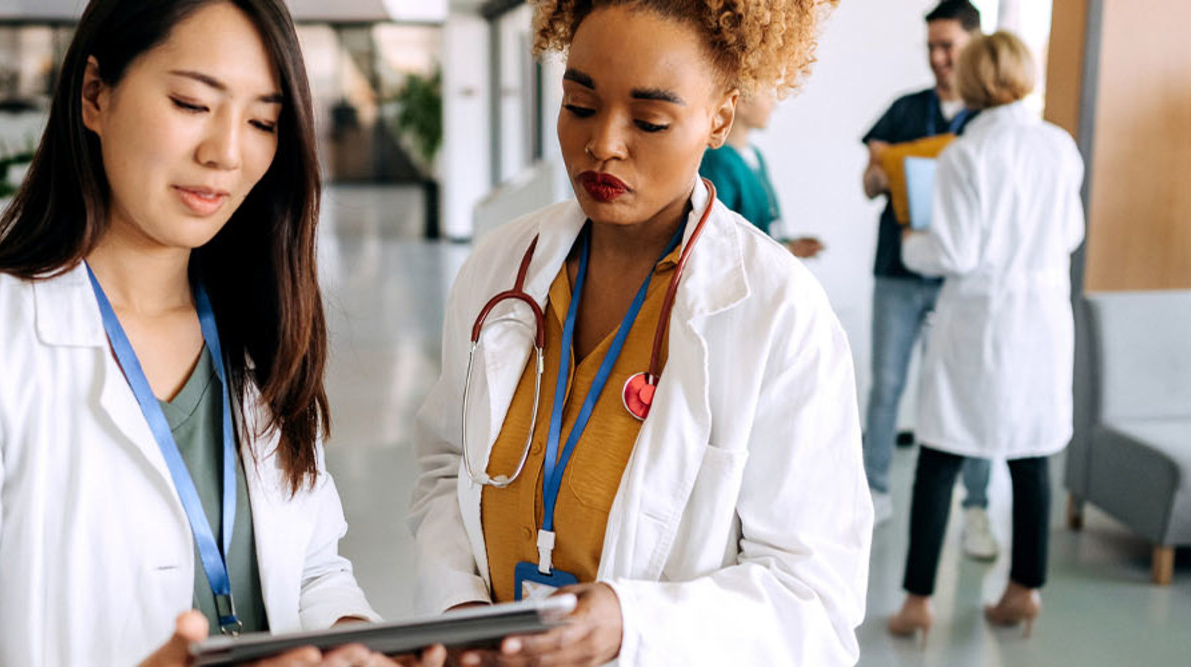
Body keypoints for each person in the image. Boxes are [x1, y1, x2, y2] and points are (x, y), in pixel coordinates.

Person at [0, 1, 439, 665]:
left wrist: (355, 639)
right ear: (95, 94)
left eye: (263, 120)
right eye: (190, 103)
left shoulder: (257, 331)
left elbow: (312, 569)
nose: (227, 152)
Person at [409, 0, 869, 663]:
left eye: (650, 120)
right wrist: (458, 609)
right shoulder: (499, 268)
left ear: (719, 117)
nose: (605, 144)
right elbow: (444, 467)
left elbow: (814, 602)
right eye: (580, 105)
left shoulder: (778, 313)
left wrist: (636, 626)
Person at [886, 30, 1085, 643]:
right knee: (1030, 457)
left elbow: (957, 250)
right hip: (1043, 320)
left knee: (941, 456)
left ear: (972, 81)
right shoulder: (1060, 146)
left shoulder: (964, 155)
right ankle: (1024, 590)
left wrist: (911, 242)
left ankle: (918, 603)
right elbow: (1071, 234)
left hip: (980, 322)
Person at [858, 0, 998, 559]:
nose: (940, 59)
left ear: (975, 45)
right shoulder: (904, 110)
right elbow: (869, 184)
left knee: (972, 388)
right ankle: (875, 489)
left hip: (963, 279)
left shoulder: (992, 122)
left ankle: (977, 507)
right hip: (897, 271)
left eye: (950, 47)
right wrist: (881, 168)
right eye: (933, 48)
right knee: (887, 385)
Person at [698, 89, 823, 257]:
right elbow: (718, 238)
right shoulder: (719, 161)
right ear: (741, 102)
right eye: (767, 94)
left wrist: (787, 245)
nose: (774, 106)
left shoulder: (756, 157)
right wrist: (787, 250)